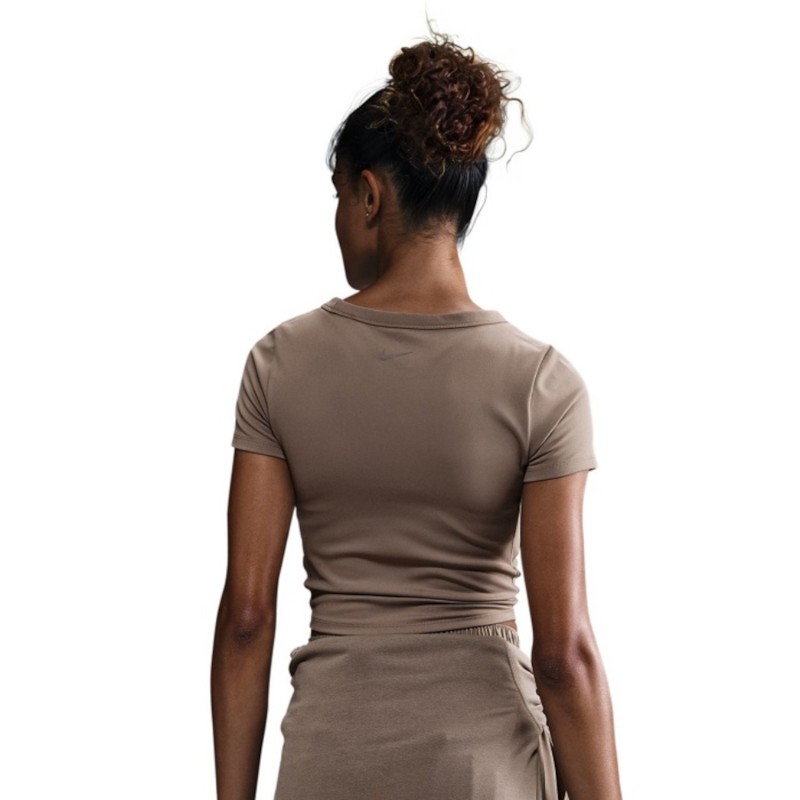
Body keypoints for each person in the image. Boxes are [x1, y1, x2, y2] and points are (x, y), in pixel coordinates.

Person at [211, 32, 622, 800]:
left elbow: (246, 617)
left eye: (339, 195)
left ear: (369, 195)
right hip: (484, 767)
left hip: (328, 760)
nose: (338, 217)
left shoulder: (278, 364)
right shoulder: (542, 383)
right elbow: (564, 655)